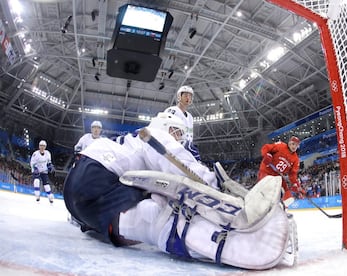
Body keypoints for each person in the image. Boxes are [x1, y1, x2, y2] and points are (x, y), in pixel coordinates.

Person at [64, 112, 296, 269]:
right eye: (178, 133)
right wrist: (213, 185)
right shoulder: (156, 135)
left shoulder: (128, 142)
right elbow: (179, 164)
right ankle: (248, 244)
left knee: (142, 216)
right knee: (158, 214)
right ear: (168, 127)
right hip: (98, 176)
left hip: (81, 202)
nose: (180, 138)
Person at [258, 136, 305, 207]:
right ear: (289, 143)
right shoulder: (280, 146)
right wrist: (266, 155)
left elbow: (293, 174)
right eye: (293, 144)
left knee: (286, 191)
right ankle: (261, 204)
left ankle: (283, 209)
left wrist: (295, 184)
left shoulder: (295, 159)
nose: (294, 146)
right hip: (266, 170)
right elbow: (266, 147)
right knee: (265, 186)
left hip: (277, 175)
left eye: (296, 145)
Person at [164, 85, 200, 161]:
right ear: (179, 97)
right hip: (174, 148)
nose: (188, 98)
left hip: (186, 149)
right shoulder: (172, 111)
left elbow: (189, 134)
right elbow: (164, 128)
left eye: (190, 96)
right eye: (186, 95)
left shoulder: (190, 116)